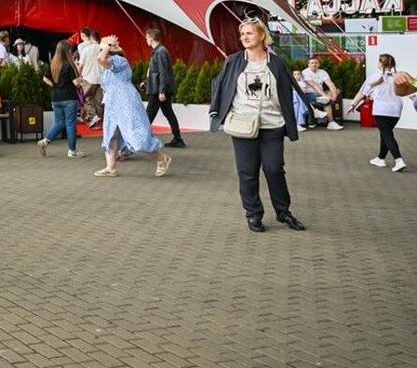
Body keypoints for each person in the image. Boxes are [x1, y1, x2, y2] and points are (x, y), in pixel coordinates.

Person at [208, 18, 305, 233]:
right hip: (243, 125)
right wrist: (216, 110)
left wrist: (292, 118)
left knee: (274, 169)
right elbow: (220, 85)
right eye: (242, 34)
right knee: (248, 173)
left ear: (262, 35)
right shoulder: (233, 61)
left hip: (272, 124)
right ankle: (253, 214)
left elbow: (286, 91)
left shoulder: (277, 63)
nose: (244, 37)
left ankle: (283, 212)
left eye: (249, 33)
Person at [93, 36, 172, 179]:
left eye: (102, 48)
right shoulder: (109, 67)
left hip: (126, 103)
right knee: (111, 135)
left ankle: (161, 159)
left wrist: (108, 45)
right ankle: (111, 168)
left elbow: (100, 59)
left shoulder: (119, 61)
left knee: (136, 135)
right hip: (113, 105)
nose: (100, 51)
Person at [349, 54, 412, 172]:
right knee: (385, 133)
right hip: (396, 110)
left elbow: (362, 93)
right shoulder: (400, 76)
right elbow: (412, 89)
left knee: (387, 135)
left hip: (381, 110)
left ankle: (398, 160)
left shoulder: (374, 77)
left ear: (380, 63)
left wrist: (353, 105)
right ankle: (380, 158)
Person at [38, 40, 85, 158]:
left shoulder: (53, 64)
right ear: (67, 51)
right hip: (69, 97)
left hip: (55, 97)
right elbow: (76, 83)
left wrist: (54, 86)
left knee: (59, 122)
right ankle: (72, 151)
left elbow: (45, 78)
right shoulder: (69, 65)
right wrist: (80, 76)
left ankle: (45, 141)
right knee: (70, 123)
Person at [144, 28, 186, 148]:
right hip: (159, 89)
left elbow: (163, 72)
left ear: (151, 39)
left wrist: (161, 91)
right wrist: (146, 82)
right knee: (168, 113)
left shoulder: (160, 52)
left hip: (158, 90)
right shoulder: (159, 51)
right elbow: (157, 72)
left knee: (149, 115)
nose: (146, 40)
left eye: (147, 38)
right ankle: (177, 138)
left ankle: (140, 139)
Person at [301, 57, 344, 131]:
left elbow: (330, 83)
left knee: (336, 91)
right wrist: (325, 95)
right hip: (309, 94)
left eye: (316, 63)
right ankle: (331, 122)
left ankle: (327, 119)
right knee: (326, 99)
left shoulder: (322, 72)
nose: (314, 64)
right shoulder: (305, 72)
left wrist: (334, 95)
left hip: (320, 94)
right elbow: (315, 86)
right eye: (312, 63)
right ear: (308, 64)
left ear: (319, 64)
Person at [77, 28, 104, 128]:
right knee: (99, 101)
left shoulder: (86, 50)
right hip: (101, 79)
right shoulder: (103, 49)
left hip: (88, 78)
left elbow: (80, 65)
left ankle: (93, 117)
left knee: (86, 99)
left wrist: (78, 76)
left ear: (91, 38)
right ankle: (99, 120)